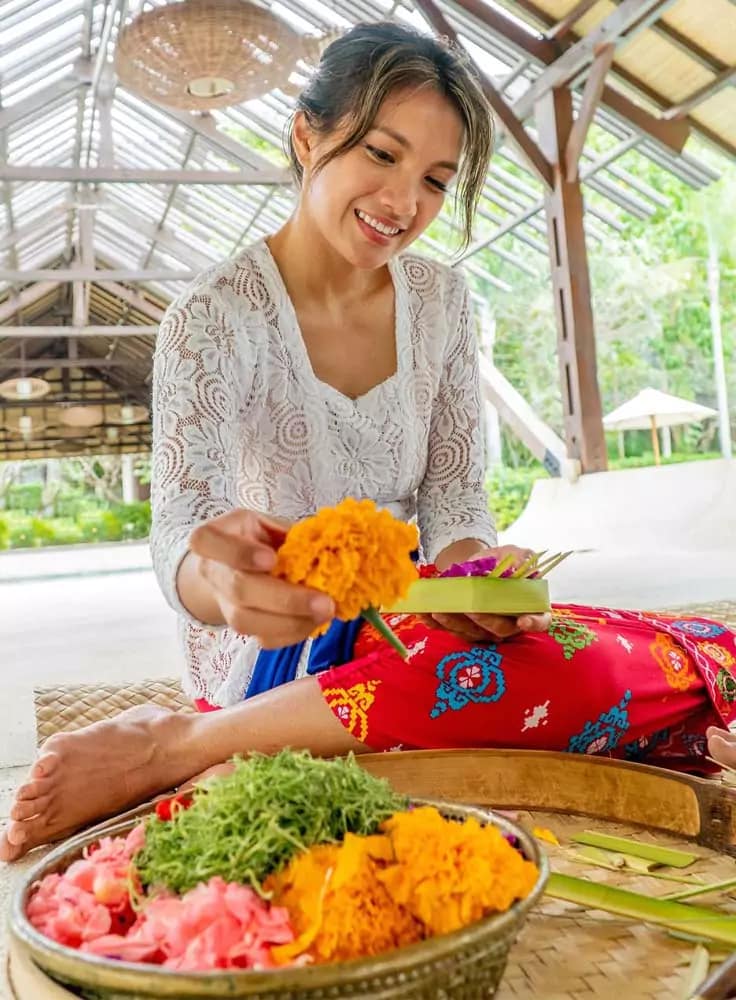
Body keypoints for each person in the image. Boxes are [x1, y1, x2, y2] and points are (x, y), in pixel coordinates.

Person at [2, 22, 735, 863]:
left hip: (414, 620)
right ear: (308, 135)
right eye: (381, 155)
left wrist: (476, 578)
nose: (403, 203)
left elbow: (457, 501)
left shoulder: (443, 304)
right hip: (274, 650)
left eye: (433, 179)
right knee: (523, 685)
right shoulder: (212, 318)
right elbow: (183, 527)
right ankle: (181, 744)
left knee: (618, 656)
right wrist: (223, 579)